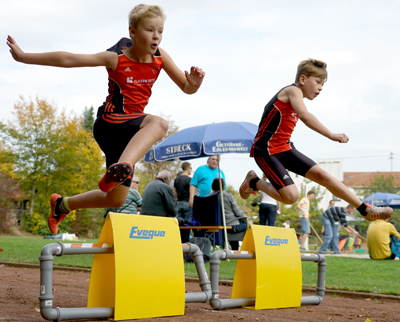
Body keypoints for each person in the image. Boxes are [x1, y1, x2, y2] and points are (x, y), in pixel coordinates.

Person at [7, 4, 206, 234]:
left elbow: (186, 87)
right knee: (159, 123)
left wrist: (194, 84)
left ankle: (62, 204)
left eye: (160, 31)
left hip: (131, 134)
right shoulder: (116, 58)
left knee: (116, 200)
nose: (156, 36)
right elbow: (70, 59)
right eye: (150, 30)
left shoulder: (160, 57)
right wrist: (24, 57)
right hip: (110, 123)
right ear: (133, 32)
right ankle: (125, 165)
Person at [238, 58, 393, 223]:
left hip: (284, 148)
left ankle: (365, 210)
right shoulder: (293, 91)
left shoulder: (297, 97)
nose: (320, 88)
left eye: (323, 85)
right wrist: (331, 135)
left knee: (323, 176)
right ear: (303, 79)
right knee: (291, 196)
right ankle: (253, 182)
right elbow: (305, 115)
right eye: (318, 82)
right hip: (266, 151)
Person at [210, 178, 249, 250]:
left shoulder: (208, 197)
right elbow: (237, 212)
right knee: (245, 224)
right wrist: (246, 218)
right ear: (223, 186)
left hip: (214, 226)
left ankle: (229, 248)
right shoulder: (228, 196)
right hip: (230, 225)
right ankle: (236, 250)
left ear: (212, 186)